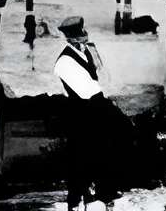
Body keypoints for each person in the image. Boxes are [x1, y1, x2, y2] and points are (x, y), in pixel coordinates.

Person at [54, 13, 119, 210]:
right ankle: (75, 201)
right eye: (80, 34)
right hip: (79, 114)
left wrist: (98, 62)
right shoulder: (64, 61)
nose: (84, 37)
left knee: (101, 152)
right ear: (71, 38)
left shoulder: (86, 52)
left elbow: (103, 77)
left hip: (93, 110)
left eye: (84, 33)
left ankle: (103, 192)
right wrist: (105, 93)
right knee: (79, 157)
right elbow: (88, 90)